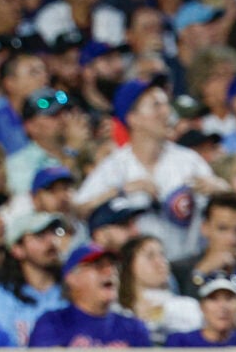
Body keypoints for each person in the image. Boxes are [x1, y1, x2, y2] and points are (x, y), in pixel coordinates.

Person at [75, 77, 226, 264]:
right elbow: (77, 210)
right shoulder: (115, 166)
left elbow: (223, 210)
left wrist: (221, 190)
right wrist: (121, 190)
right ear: (133, 118)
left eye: (166, 105)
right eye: (156, 105)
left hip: (190, 263)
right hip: (139, 270)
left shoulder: (188, 161)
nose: (167, 112)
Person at [28, 243, 152, 348]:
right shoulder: (52, 323)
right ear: (72, 278)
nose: (110, 272)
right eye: (99, 266)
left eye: (113, 266)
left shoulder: (134, 328)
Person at [0, 212, 68, 346]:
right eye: (40, 236)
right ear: (17, 249)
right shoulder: (1, 297)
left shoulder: (73, 289)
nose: (52, 241)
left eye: (55, 233)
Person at [116, 235, 202, 345]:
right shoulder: (118, 311)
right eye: (150, 256)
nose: (160, 262)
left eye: (162, 255)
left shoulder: (188, 306)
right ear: (128, 265)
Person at [165, 272, 236, 348]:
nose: (222, 306)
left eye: (228, 299)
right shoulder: (181, 342)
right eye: (213, 299)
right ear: (202, 306)